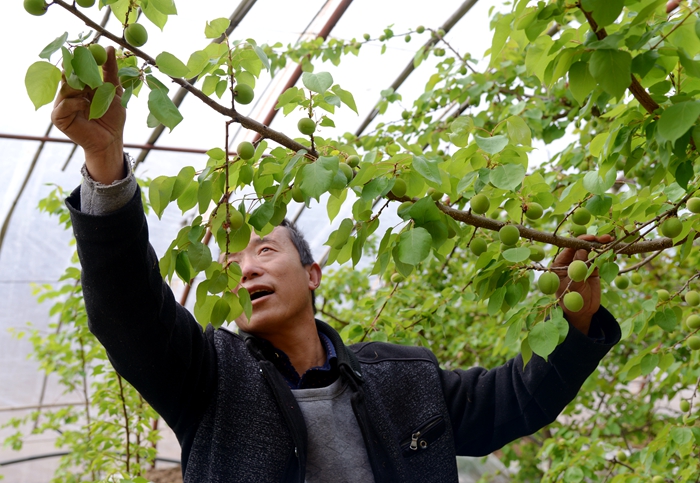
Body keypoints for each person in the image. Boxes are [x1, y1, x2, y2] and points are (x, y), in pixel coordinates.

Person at [54, 47, 620, 482]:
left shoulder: (405, 380)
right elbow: (129, 313)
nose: (244, 268)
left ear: (313, 273)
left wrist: (574, 327)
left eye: (265, 250)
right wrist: (104, 162)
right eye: (229, 262)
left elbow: (517, 401)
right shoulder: (208, 377)